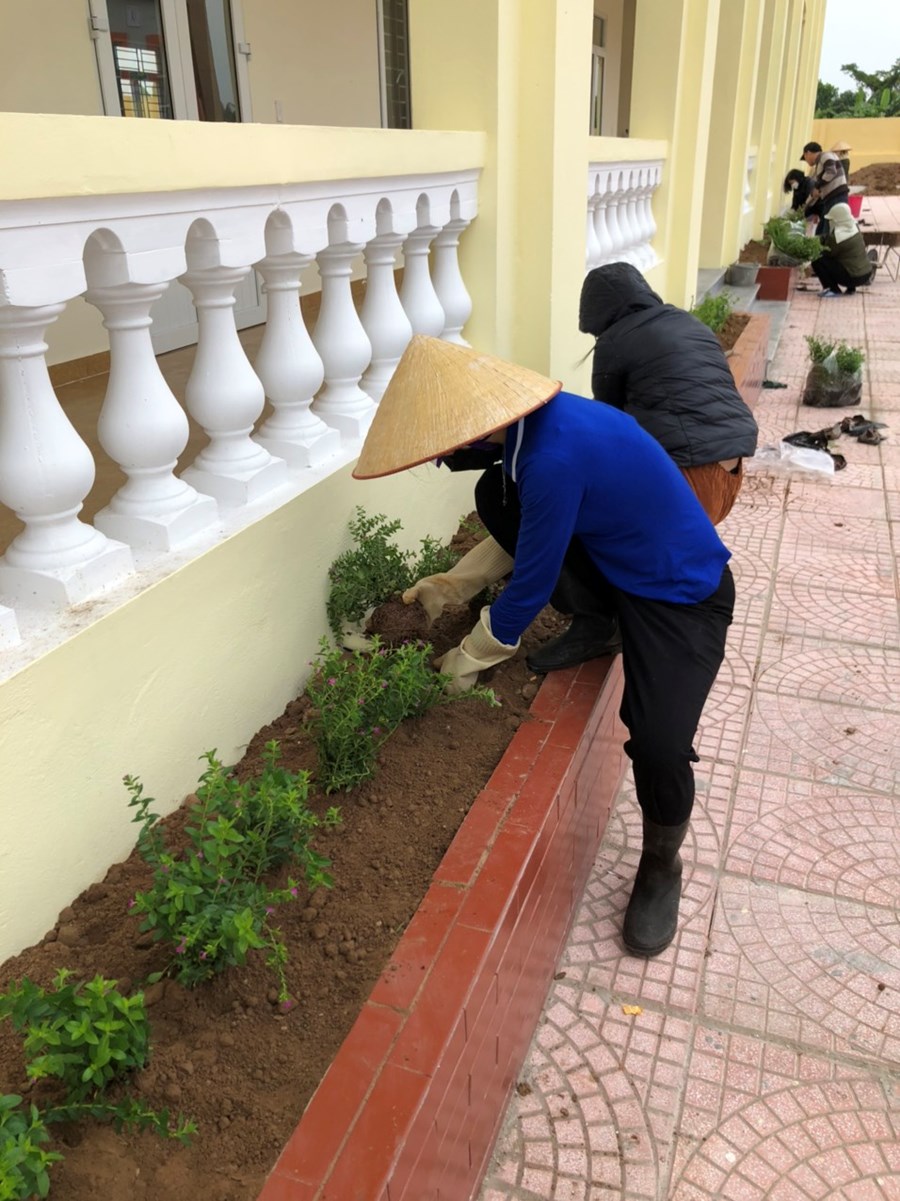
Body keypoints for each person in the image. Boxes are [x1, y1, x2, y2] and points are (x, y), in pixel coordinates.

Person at [353, 334, 735, 958]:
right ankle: (601, 623)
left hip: (679, 594)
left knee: (658, 741)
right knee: (495, 497)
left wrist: (470, 656)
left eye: (443, 446)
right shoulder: (539, 428)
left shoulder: (550, 457)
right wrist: (455, 584)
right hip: (621, 571)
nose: (443, 457)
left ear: (476, 426)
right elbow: (535, 528)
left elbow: (531, 582)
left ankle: (661, 865)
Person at [509, 262, 755, 675]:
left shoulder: (617, 340)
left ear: (600, 313)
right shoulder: (687, 322)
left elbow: (604, 432)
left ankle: (596, 624)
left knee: (575, 516)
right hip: (730, 475)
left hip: (689, 475)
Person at [810, 201, 875, 297]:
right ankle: (851, 289)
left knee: (817, 259)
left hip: (853, 278)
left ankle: (833, 289)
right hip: (866, 274)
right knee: (849, 258)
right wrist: (819, 239)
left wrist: (811, 247)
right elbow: (829, 238)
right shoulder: (854, 228)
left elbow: (827, 252)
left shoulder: (838, 237)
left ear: (837, 220)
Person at [800, 140, 849, 234]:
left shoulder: (825, 156)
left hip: (836, 196)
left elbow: (831, 172)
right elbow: (816, 190)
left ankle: (825, 242)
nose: (806, 161)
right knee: (824, 225)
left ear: (808, 153)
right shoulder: (820, 163)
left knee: (830, 226)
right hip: (831, 197)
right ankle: (821, 241)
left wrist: (818, 186)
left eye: (805, 158)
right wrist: (806, 205)